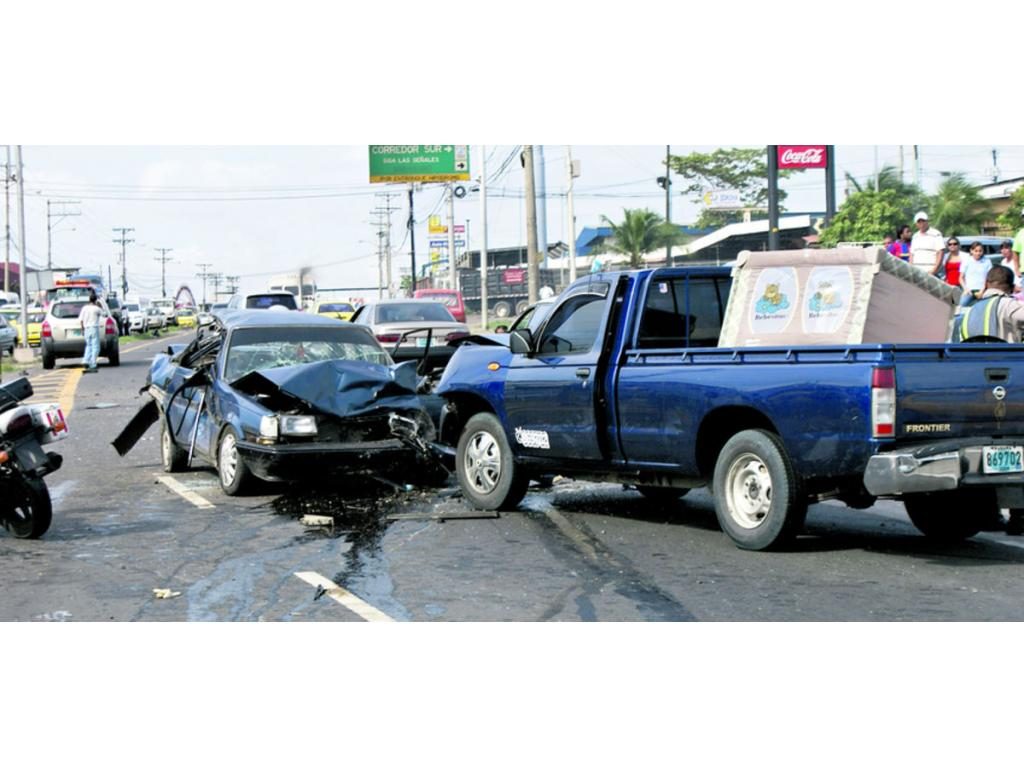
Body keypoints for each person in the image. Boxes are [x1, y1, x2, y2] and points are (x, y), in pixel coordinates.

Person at [951, 264, 1024, 535]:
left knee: (983, 451)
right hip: (1008, 389)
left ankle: (990, 515)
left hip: (973, 393)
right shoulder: (1007, 305)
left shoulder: (967, 313)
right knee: (1014, 449)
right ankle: (1019, 517)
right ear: (1010, 286)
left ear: (986, 284)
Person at [958, 241, 992, 308]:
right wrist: (966, 289)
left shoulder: (987, 261)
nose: (978, 253)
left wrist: (983, 290)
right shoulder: (966, 261)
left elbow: (989, 278)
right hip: (969, 290)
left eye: (980, 251)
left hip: (983, 290)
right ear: (971, 251)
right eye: (976, 251)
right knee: (961, 305)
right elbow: (961, 278)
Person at [77, 289, 104, 373]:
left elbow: (81, 320)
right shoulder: (96, 309)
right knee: (95, 347)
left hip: (86, 328)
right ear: (95, 300)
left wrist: (82, 329)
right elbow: (103, 314)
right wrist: (100, 305)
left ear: (89, 300)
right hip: (94, 328)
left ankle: (85, 360)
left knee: (88, 345)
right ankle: (93, 363)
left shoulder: (84, 308)